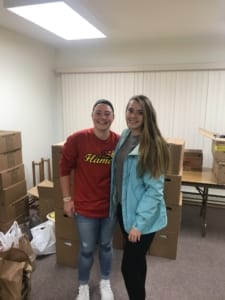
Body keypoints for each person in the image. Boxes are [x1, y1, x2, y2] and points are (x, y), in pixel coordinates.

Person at [110, 94, 170, 300]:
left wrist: (138, 224)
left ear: (148, 116)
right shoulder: (125, 135)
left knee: (128, 268)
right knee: (136, 262)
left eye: (139, 112)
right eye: (130, 110)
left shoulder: (152, 145)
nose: (133, 115)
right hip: (124, 209)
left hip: (141, 219)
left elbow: (154, 191)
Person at [59, 99, 120, 300]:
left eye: (107, 113)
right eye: (99, 113)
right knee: (86, 248)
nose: (103, 117)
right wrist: (67, 199)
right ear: (92, 115)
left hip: (109, 207)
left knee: (106, 245)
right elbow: (64, 169)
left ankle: (104, 281)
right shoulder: (77, 139)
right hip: (85, 208)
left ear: (113, 117)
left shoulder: (118, 142)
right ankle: (83, 286)